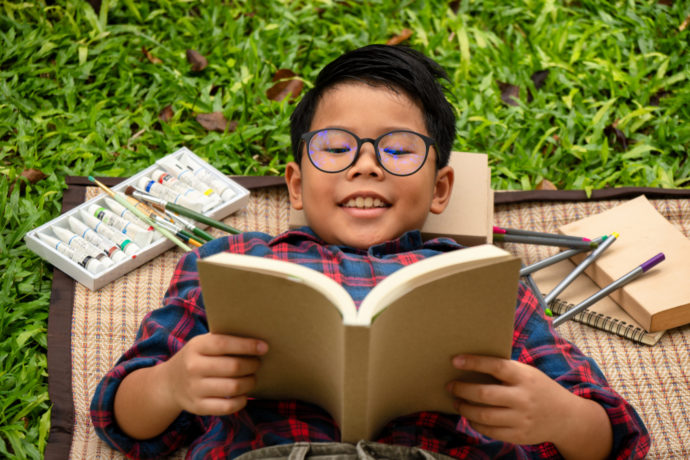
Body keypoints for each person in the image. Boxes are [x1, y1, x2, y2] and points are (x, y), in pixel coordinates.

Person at [91, 44, 650, 459]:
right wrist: (172, 384)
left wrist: (557, 415)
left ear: (440, 189)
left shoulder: (484, 278)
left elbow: (615, 436)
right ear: (294, 185)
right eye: (335, 147)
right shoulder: (232, 259)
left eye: (399, 149)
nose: (365, 163)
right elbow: (119, 415)